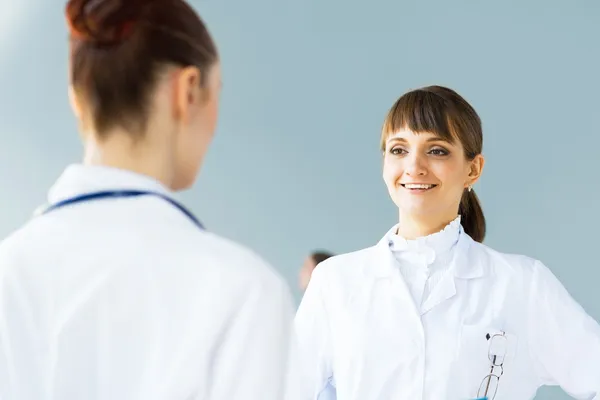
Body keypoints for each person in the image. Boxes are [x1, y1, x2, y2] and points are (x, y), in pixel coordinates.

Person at [0, 1, 296, 399]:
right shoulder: (243, 292)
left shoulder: (10, 272)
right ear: (188, 90)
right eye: (216, 92)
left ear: (76, 98)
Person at [294, 85, 600, 399]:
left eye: (437, 150)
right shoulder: (335, 282)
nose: (414, 166)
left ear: (473, 169)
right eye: (399, 150)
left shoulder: (522, 284)